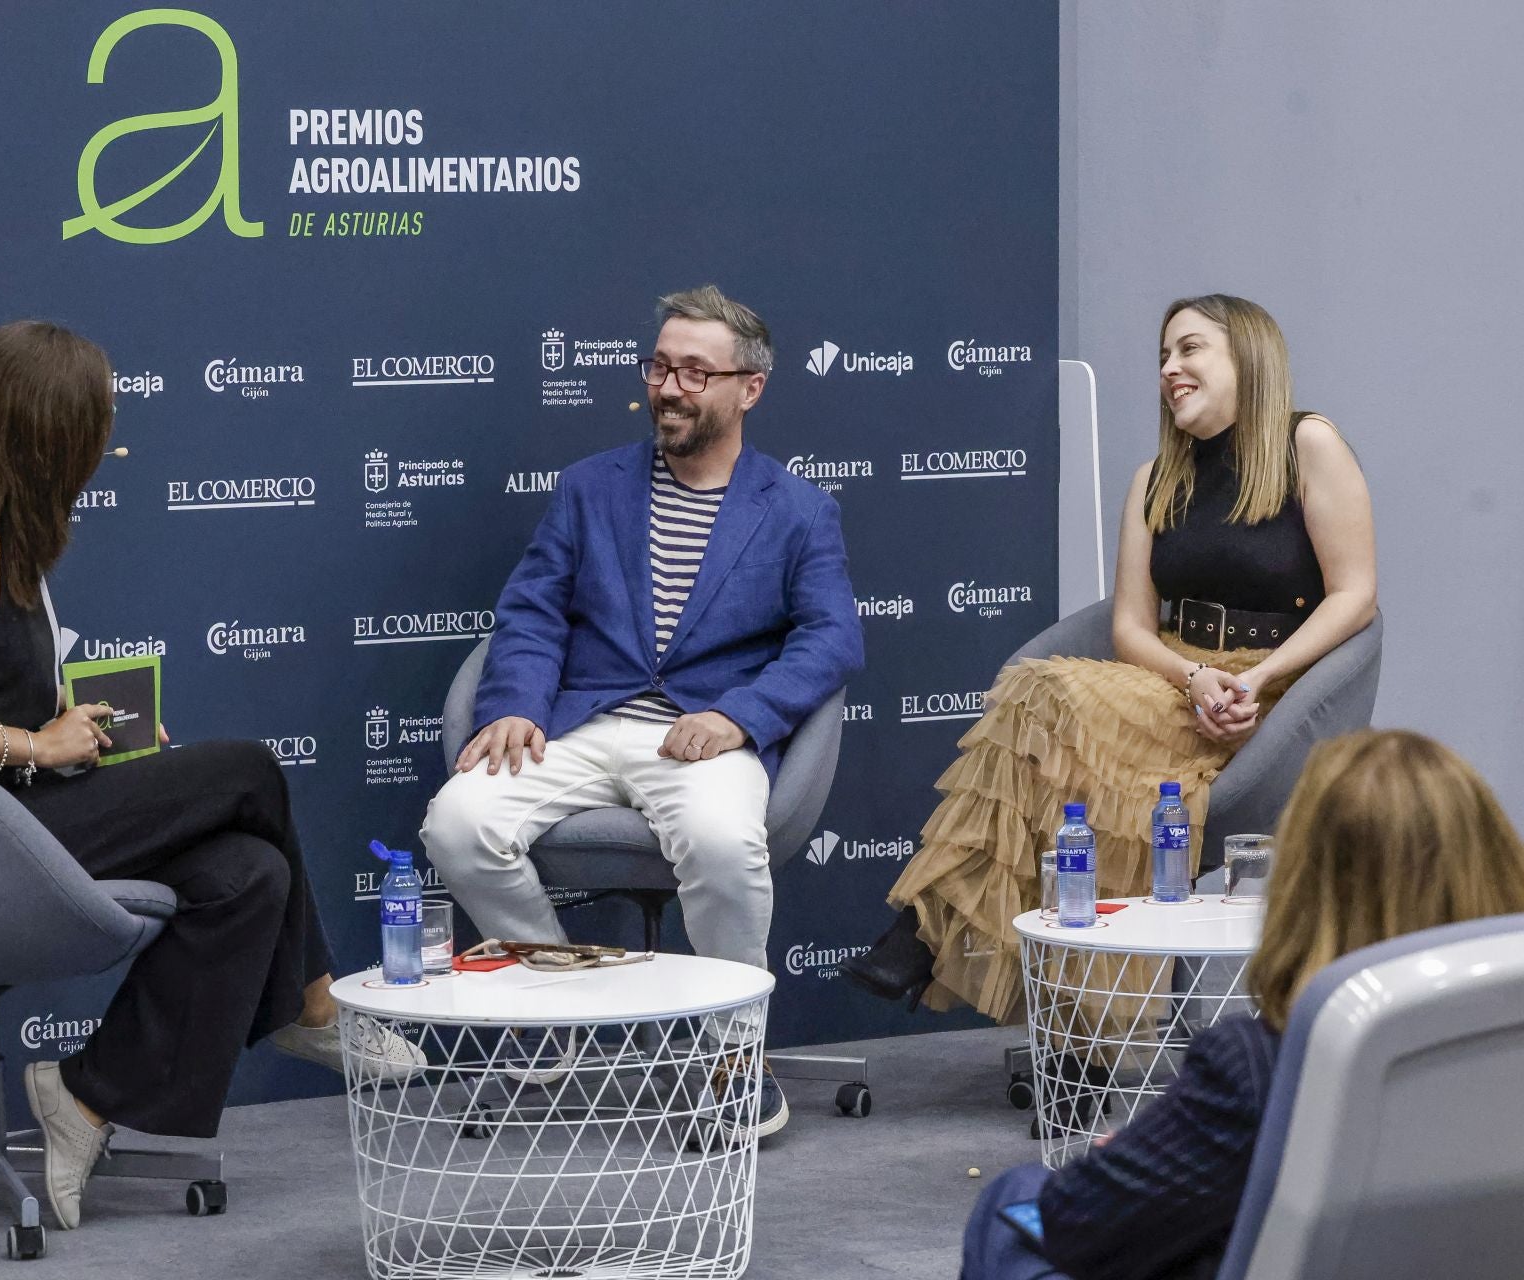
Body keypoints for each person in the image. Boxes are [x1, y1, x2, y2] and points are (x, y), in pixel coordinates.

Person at [0, 320, 418, 1231]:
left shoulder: (2, 530)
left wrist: (89, 722)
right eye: (98, 418)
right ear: (52, 430)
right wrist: (41, 747)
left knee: (251, 876)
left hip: (23, 805)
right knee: (250, 770)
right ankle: (313, 1003)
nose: (108, 436)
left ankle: (85, 1095)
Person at [841, 294, 1377, 1022]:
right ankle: (1075, 1018)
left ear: (1248, 355)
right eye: (1163, 356)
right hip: (1171, 684)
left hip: (1272, 699)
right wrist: (1192, 678)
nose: (1170, 369)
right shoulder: (1155, 478)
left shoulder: (1307, 443)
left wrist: (1254, 678)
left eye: (1190, 349)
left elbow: (1356, 596)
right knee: (1053, 722)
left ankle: (928, 926)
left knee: (1046, 704)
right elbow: (1130, 627)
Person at [419, 285, 864, 1139]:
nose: (670, 387)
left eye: (696, 372)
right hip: (584, 722)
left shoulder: (800, 511)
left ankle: (736, 1053)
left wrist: (742, 716)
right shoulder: (591, 489)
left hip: (703, 734)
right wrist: (512, 704)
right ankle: (560, 1015)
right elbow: (533, 610)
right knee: (458, 821)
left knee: (722, 843)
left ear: (750, 388)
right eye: (660, 367)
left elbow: (831, 640)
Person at [958, 729, 1524, 1280]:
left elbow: (1073, 1225)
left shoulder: (1259, 1068)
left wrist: (1132, 1160)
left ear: (1300, 888)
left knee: (1013, 1203)